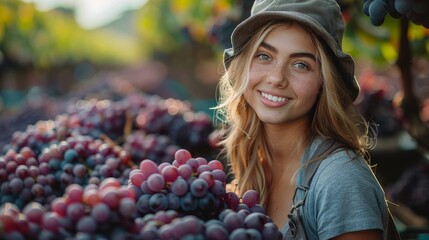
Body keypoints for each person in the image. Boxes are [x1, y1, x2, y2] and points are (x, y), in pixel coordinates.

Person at [214, 0, 390, 239]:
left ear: (324, 82)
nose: (277, 78)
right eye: (264, 56)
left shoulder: (339, 180)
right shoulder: (253, 161)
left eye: (301, 65)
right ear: (243, 65)